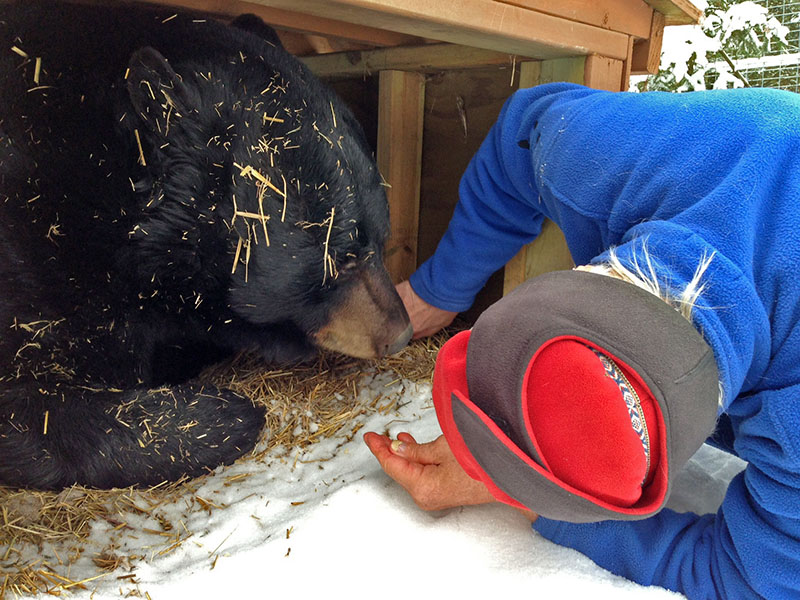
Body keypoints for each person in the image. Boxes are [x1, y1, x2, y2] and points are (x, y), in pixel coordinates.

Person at [363, 82, 800, 599]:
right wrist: (441, 289)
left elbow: (744, 581)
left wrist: (516, 493)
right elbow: (517, 140)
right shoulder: (600, 152)